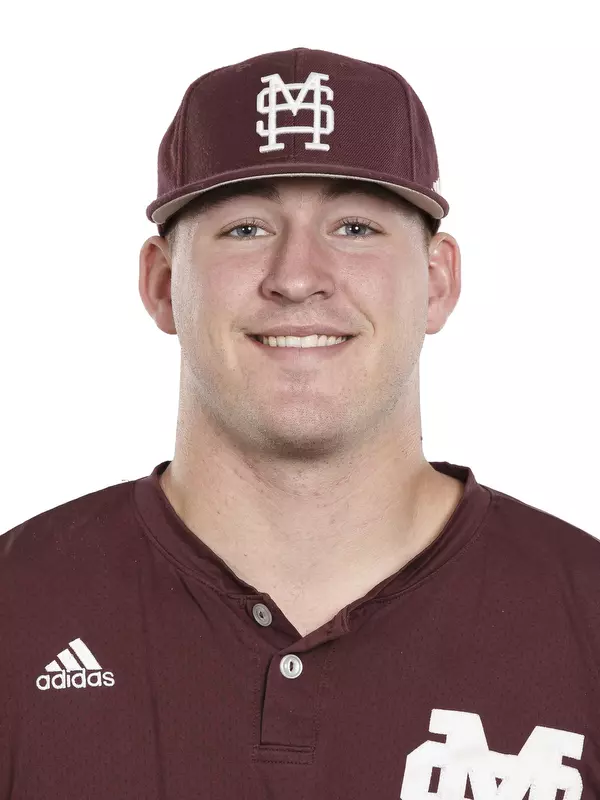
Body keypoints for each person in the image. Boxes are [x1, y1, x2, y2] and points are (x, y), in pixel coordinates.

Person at [1, 47, 599, 798]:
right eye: (246, 229)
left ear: (439, 281)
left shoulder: (586, 616)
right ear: (160, 284)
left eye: (354, 227)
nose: (296, 277)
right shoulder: (17, 610)